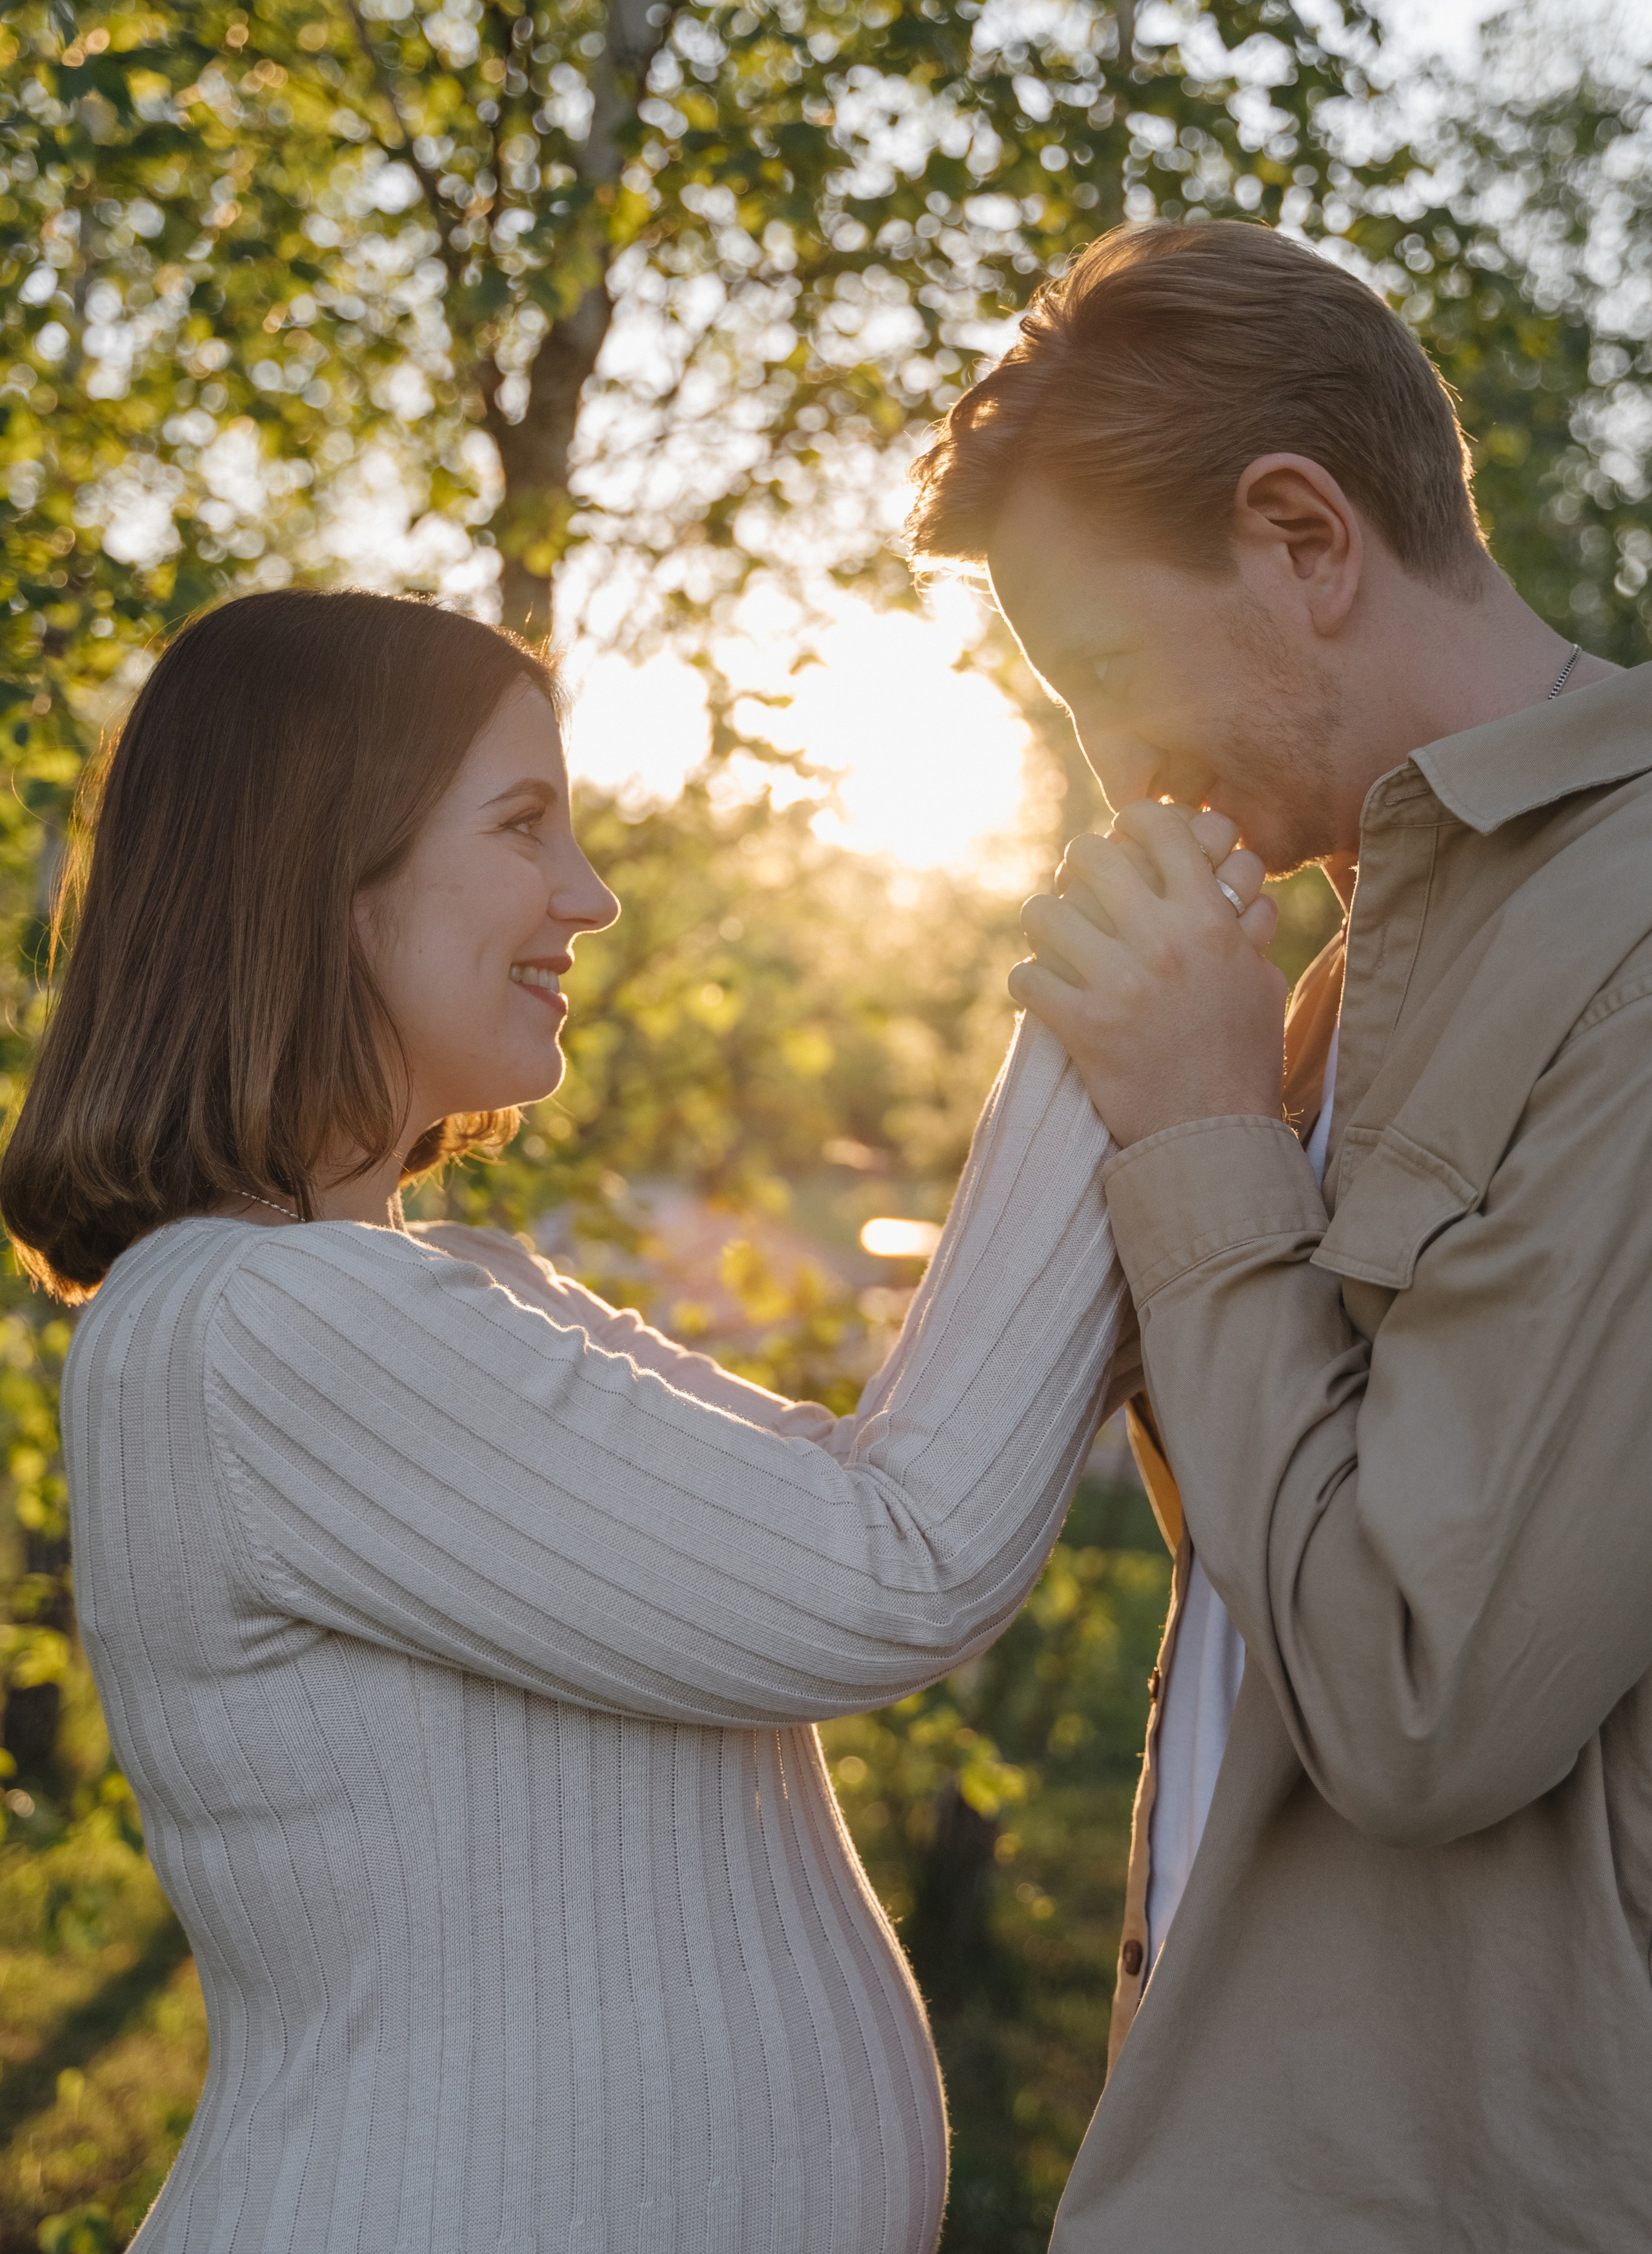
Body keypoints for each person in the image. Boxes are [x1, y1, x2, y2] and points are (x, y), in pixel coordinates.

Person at [0, 586, 1262, 2253]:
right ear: (328, 871)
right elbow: (903, 1563)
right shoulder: (267, 1329)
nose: (589, 897)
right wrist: (1109, 977)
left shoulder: (398, 1290)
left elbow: (855, 1485)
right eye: (524, 824)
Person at [906, 217, 1652, 2251]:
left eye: (1106, 674)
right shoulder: (1346, 974)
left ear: (1304, 539)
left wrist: (1210, 1131)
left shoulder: (1626, 941)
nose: (1114, 769)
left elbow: (1422, 1700)